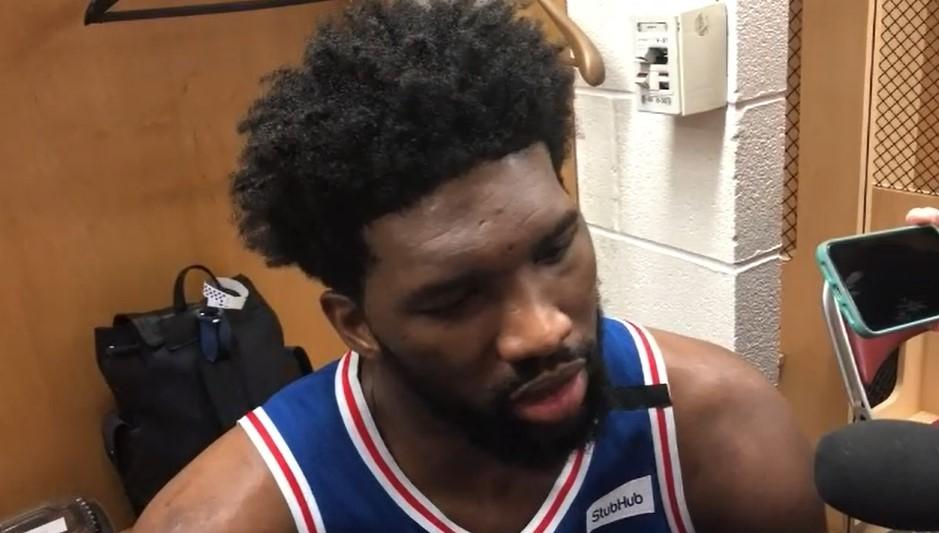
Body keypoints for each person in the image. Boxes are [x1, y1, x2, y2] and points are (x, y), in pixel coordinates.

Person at [132, 1, 825, 531]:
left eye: (554, 249)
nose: (543, 329)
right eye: (455, 298)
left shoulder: (722, 430)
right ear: (356, 323)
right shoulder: (243, 514)